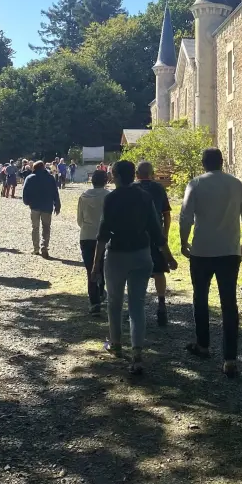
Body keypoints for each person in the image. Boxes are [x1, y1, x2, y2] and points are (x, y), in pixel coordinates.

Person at [90, 159, 177, 375]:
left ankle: (116, 344)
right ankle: (137, 352)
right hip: (141, 254)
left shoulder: (111, 198)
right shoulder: (145, 197)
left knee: (114, 302)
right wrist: (168, 257)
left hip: (117, 255)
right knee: (137, 305)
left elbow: (103, 234)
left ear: (117, 177)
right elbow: (156, 231)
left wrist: (95, 264)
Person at [179, 147, 242, 377]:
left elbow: (185, 217)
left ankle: (203, 344)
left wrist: (183, 242)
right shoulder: (236, 184)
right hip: (229, 252)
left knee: (200, 298)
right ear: (222, 162)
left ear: (203, 163)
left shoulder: (195, 184)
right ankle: (230, 359)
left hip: (202, 251)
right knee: (229, 303)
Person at [136, 160, 172, 326]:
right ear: (153, 174)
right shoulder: (158, 188)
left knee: (136, 272)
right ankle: (161, 302)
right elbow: (166, 214)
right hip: (156, 234)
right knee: (159, 271)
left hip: (137, 235)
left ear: (137, 174)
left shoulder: (132, 189)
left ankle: (137, 306)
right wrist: (165, 234)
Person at [77, 169, 111, 313]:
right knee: (103, 267)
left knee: (90, 269)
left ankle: (94, 302)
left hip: (87, 235)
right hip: (105, 236)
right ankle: (101, 291)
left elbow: (79, 219)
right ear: (106, 181)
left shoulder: (84, 196)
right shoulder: (109, 196)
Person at [22, 161, 61, 257]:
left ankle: (36, 248)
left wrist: (27, 202)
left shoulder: (30, 178)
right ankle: (44, 247)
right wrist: (57, 205)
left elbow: (25, 192)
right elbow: (55, 192)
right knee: (46, 228)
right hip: (47, 206)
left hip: (34, 206)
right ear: (43, 167)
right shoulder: (50, 178)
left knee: (35, 228)